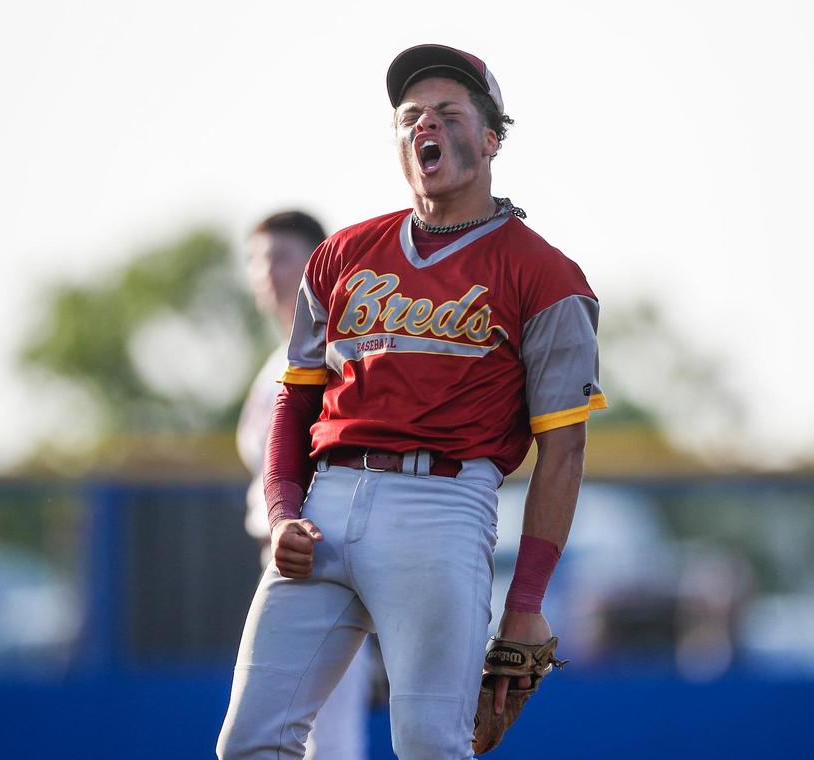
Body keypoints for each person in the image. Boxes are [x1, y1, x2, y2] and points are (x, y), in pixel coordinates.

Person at [218, 44, 607, 759]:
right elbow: (295, 405)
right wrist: (281, 512)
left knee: (430, 744)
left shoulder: (546, 275)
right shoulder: (340, 257)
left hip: (443, 506)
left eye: (448, 112)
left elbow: (565, 449)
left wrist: (525, 605)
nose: (425, 124)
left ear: (491, 138)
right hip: (326, 506)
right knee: (249, 741)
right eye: (411, 116)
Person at [235, 211, 378, 760]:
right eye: (256, 260)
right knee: (294, 732)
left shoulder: (336, 355)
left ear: (317, 267)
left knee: (324, 737)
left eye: (281, 258)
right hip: (286, 561)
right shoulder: (278, 361)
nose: (266, 274)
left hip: (320, 562)